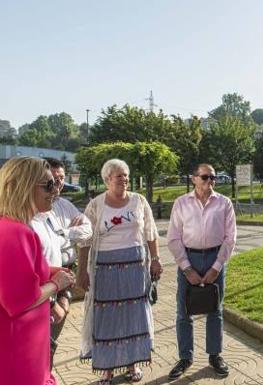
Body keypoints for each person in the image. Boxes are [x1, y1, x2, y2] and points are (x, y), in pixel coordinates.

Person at [76, 159, 162, 384]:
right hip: (105, 270)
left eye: (126, 175)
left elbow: (150, 233)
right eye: (118, 176)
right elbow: (84, 240)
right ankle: (107, 368)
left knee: (134, 315)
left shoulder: (139, 201)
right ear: (107, 180)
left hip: (135, 268)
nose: (124, 179)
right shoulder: (95, 205)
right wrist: (82, 271)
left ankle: (133, 363)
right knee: (108, 317)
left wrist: (156, 260)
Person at [0, 156, 75, 385]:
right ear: (24, 187)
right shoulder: (16, 233)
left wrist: (50, 271)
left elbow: (17, 274)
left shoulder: (11, 227)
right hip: (20, 351)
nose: (55, 190)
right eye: (48, 185)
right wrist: (56, 284)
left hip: (25, 345)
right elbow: (18, 301)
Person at [167, 163, 236, 380]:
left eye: (213, 177)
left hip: (215, 257)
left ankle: (215, 356)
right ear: (194, 178)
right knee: (184, 311)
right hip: (190, 257)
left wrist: (217, 267)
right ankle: (185, 357)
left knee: (215, 310)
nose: (210, 181)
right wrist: (186, 268)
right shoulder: (181, 203)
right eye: (205, 177)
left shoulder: (224, 203)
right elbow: (173, 238)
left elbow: (230, 238)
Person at [30, 157, 92, 367]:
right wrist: (53, 301)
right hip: (41, 289)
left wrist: (63, 233)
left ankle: (46, 373)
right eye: (50, 182)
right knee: (38, 347)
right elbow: (28, 278)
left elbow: (88, 231)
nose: (57, 186)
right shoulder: (27, 220)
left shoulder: (63, 207)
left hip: (62, 276)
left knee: (50, 342)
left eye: (60, 179)